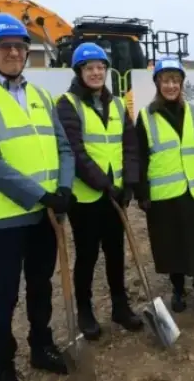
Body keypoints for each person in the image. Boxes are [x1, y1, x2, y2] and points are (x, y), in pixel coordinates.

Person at [0, 13, 75, 381]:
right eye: (4, 46)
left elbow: (63, 147)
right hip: (5, 216)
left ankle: (41, 346)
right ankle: (1, 364)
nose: (14, 53)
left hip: (46, 214)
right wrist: (41, 195)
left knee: (41, 285)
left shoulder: (40, 95)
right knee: (4, 292)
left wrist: (64, 188)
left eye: (20, 46)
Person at [55, 42, 144, 341]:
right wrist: (103, 184)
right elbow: (75, 151)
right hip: (86, 197)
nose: (96, 73)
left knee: (116, 252)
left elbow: (130, 145)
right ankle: (85, 310)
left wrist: (128, 184)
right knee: (87, 255)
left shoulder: (117, 104)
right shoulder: (68, 104)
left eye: (100, 67)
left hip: (116, 195)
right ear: (79, 71)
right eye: (89, 68)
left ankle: (120, 306)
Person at [134, 57, 194, 321]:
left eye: (175, 80)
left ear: (181, 84)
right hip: (163, 194)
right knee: (170, 244)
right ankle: (178, 289)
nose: (171, 86)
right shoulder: (146, 116)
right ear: (157, 84)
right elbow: (140, 157)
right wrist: (142, 192)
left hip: (192, 191)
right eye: (165, 80)